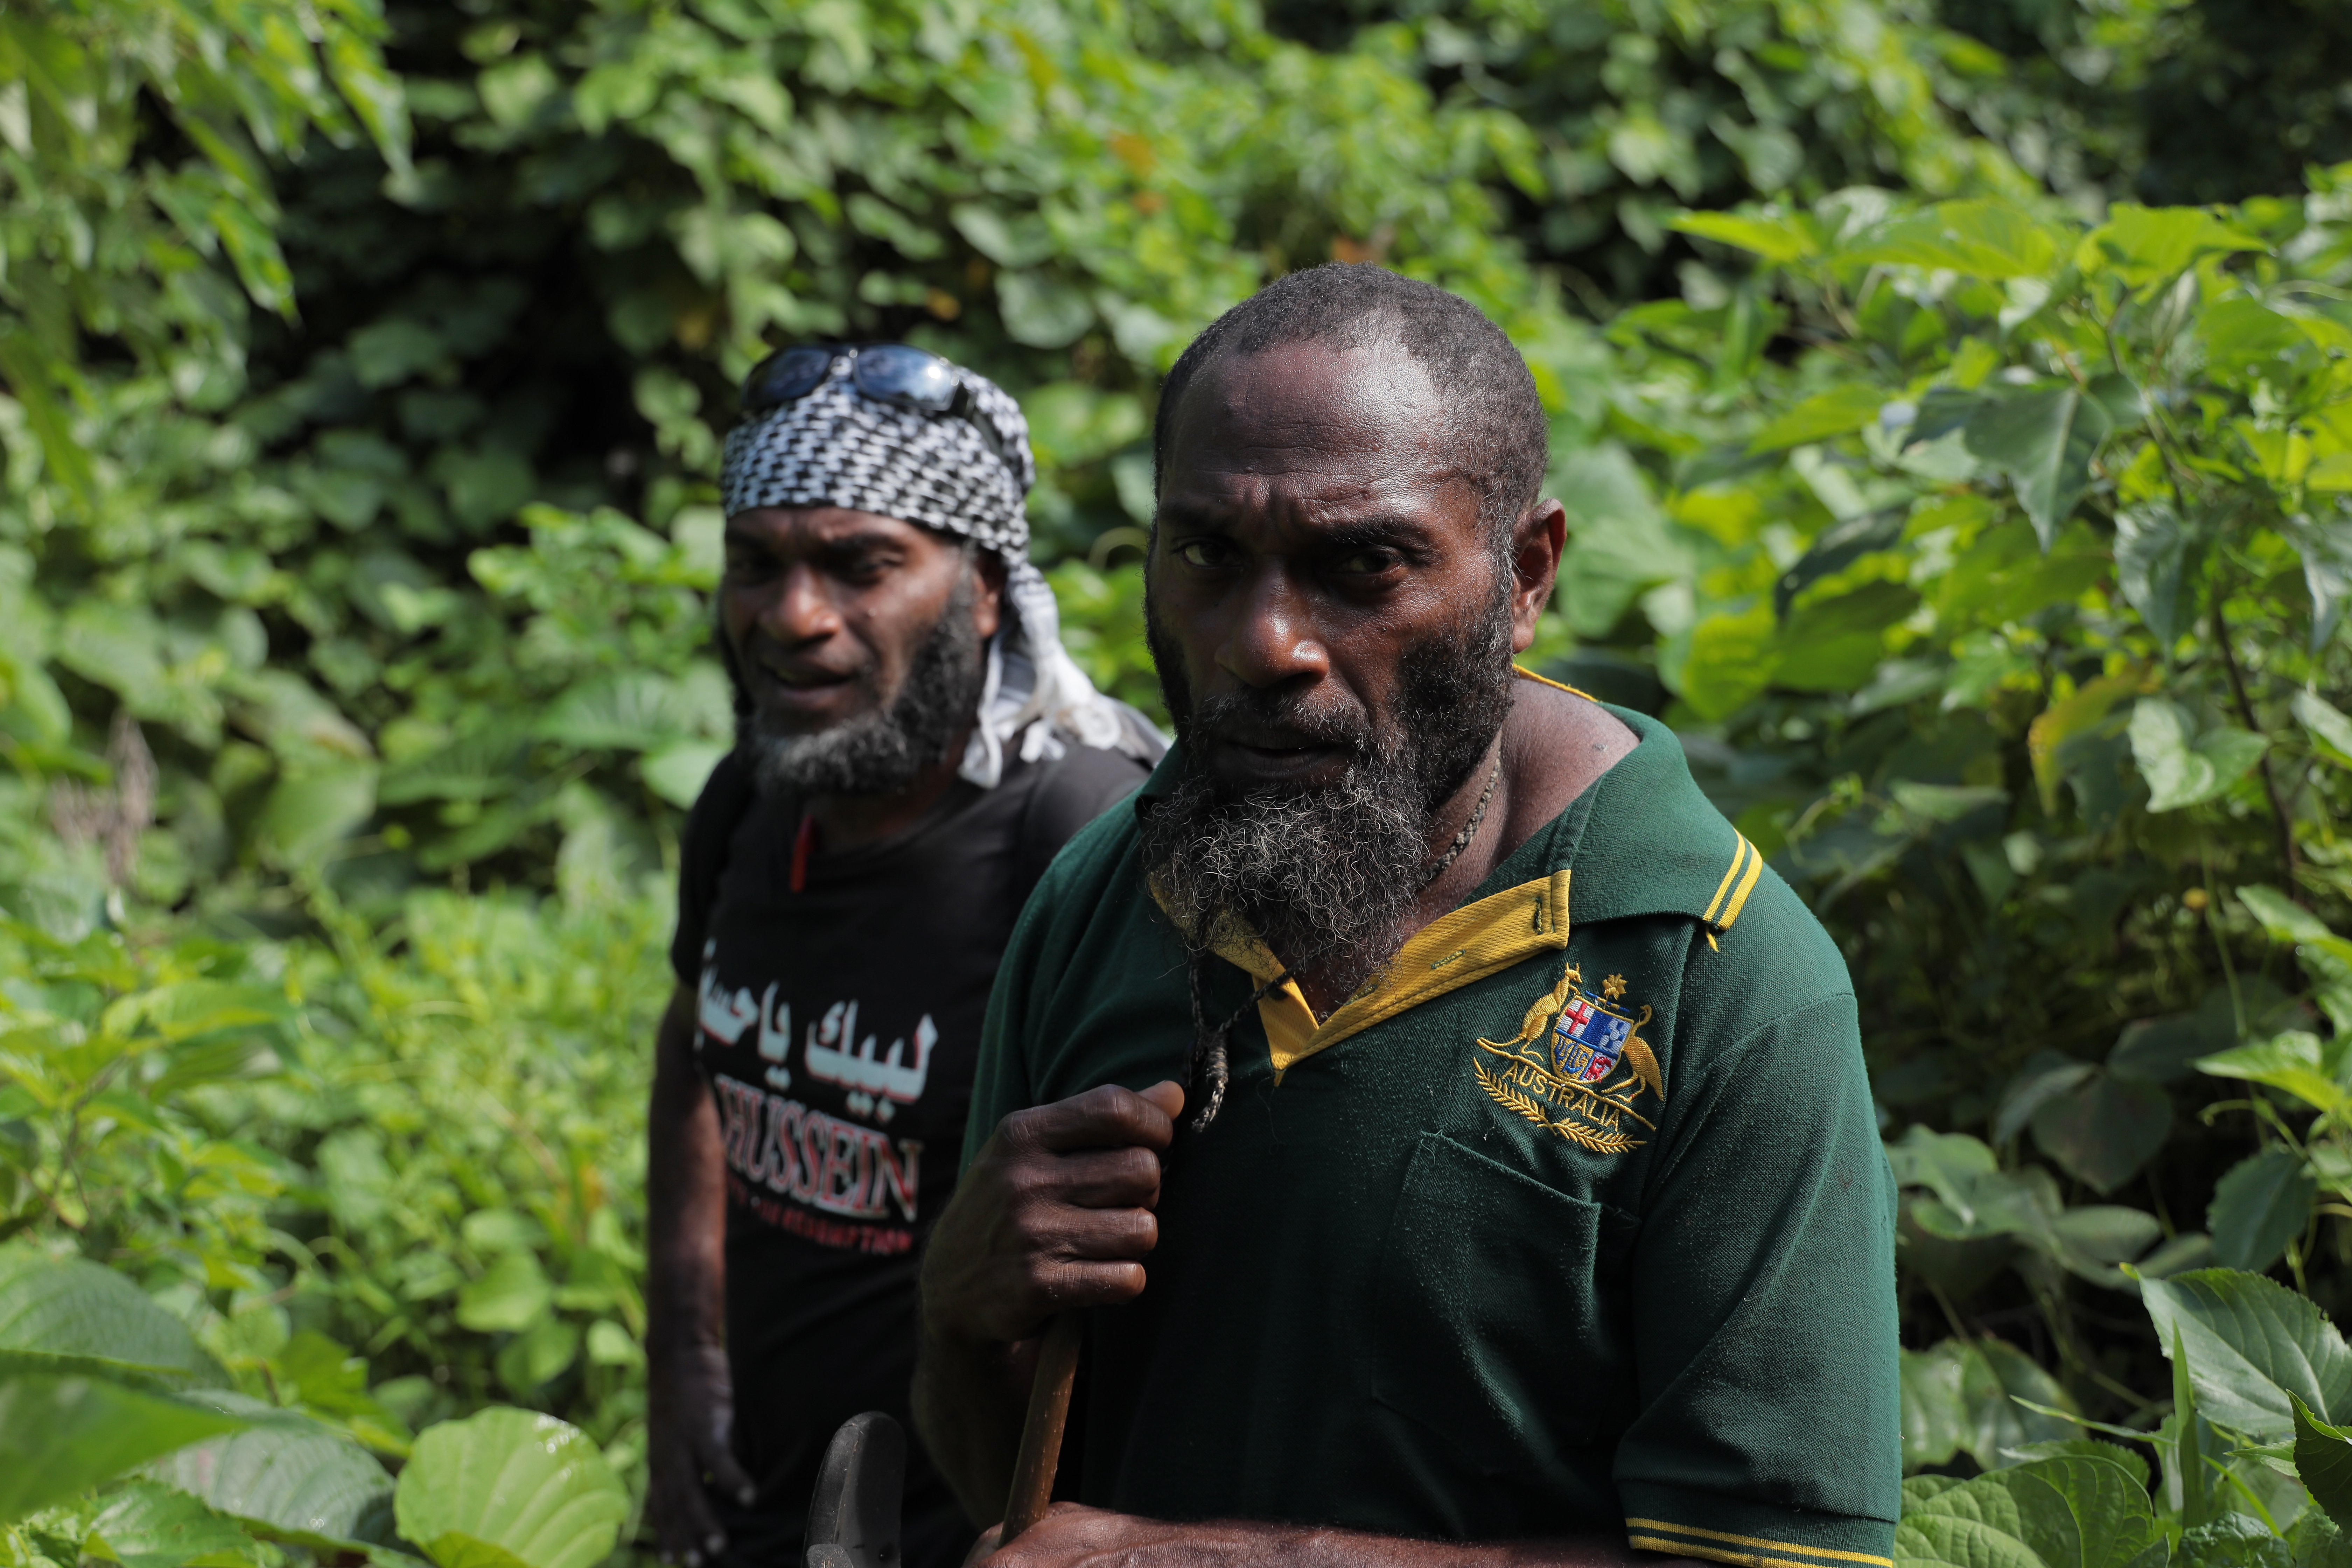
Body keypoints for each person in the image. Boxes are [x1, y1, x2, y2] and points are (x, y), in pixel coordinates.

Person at [913, 266, 1900, 1567]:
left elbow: (1775, 1559)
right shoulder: (1112, 894)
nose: (1266, 644)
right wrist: (958, 1312)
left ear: (1526, 571)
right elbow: (1009, 1490)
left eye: (1362, 565)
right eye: (1209, 553)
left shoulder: (1719, 981)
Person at [644, 344, 1162, 1568]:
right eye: (756, 566)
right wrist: (684, 1349)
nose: (795, 617)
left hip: (980, 1516)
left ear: (983, 591)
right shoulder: (751, 802)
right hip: (768, 1491)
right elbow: (693, 1039)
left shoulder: (1079, 837)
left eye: (860, 565)